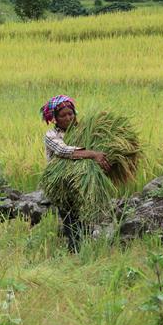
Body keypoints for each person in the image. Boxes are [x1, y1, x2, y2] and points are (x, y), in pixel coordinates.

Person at [40, 95, 110, 253]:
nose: (68, 118)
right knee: (70, 220)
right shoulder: (51, 136)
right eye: (63, 115)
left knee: (85, 218)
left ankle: (86, 251)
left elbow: (102, 150)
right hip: (62, 185)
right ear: (55, 119)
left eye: (70, 114)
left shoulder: (85, 131)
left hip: (84, 183)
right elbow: (63, 150)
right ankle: (75, 252)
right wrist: (93, 154)